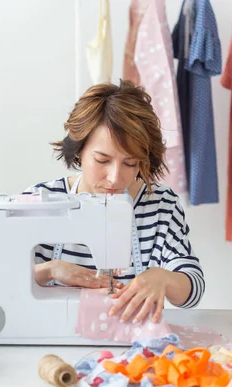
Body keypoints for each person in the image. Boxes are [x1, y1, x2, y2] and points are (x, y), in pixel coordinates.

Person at [24, 79, 204, 325]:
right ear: (79, 150)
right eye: (102, 160)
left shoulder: (161, 205)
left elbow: (193, 288)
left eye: (130, 163)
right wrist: (49, 270)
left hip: (132, 346)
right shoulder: (41, 202)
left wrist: (163, 278)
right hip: (50, 337)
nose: (115, 178)